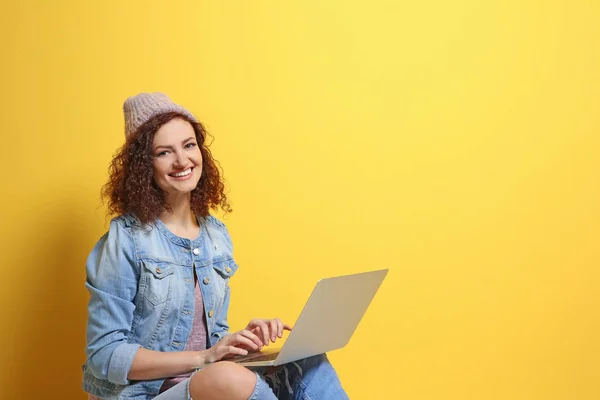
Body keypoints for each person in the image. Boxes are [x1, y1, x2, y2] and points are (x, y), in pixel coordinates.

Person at [82, 93, 349, 400]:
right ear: (144, 166)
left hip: (202, 382)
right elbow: (104, 354)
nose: (182, 161)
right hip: (143, 395)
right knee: (227, 377)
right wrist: (205, 357)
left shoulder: (214, 234)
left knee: (307, 361)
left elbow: (208, 336)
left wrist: (240, 340)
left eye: (189, 145)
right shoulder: (124, 240)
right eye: (164, 152)